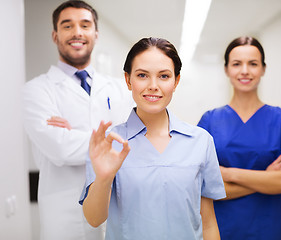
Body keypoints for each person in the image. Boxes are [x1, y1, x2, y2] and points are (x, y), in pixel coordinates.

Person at [79, 37, 226, 240]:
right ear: (128, 80)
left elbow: (208, 223)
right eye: (142, 75)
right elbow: (94, 219)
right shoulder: (108, 142)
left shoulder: (201, 141)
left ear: (176, 81)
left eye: (164, 76)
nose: (153, 85)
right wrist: (104, 178)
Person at [22, 1, 133, 239]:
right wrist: (113, 136)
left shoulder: (118, 88)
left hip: (115, 211)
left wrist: (74, 134)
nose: (77, 33)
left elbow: (134, 139)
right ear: (55, 35)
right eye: (67, 26)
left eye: (85, 25)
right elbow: (60, 149)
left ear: (96, 33)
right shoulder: (36, 90)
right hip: (64, 219)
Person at [197, 36, 281, 240]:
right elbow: (204, 186)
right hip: (223, 231)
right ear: (226, 69)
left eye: (253, 64)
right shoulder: (210, 121)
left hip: (271, 231)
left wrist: (228, 174)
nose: (245, 71)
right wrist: (266, 177)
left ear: (263, 69)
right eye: (237, 64)